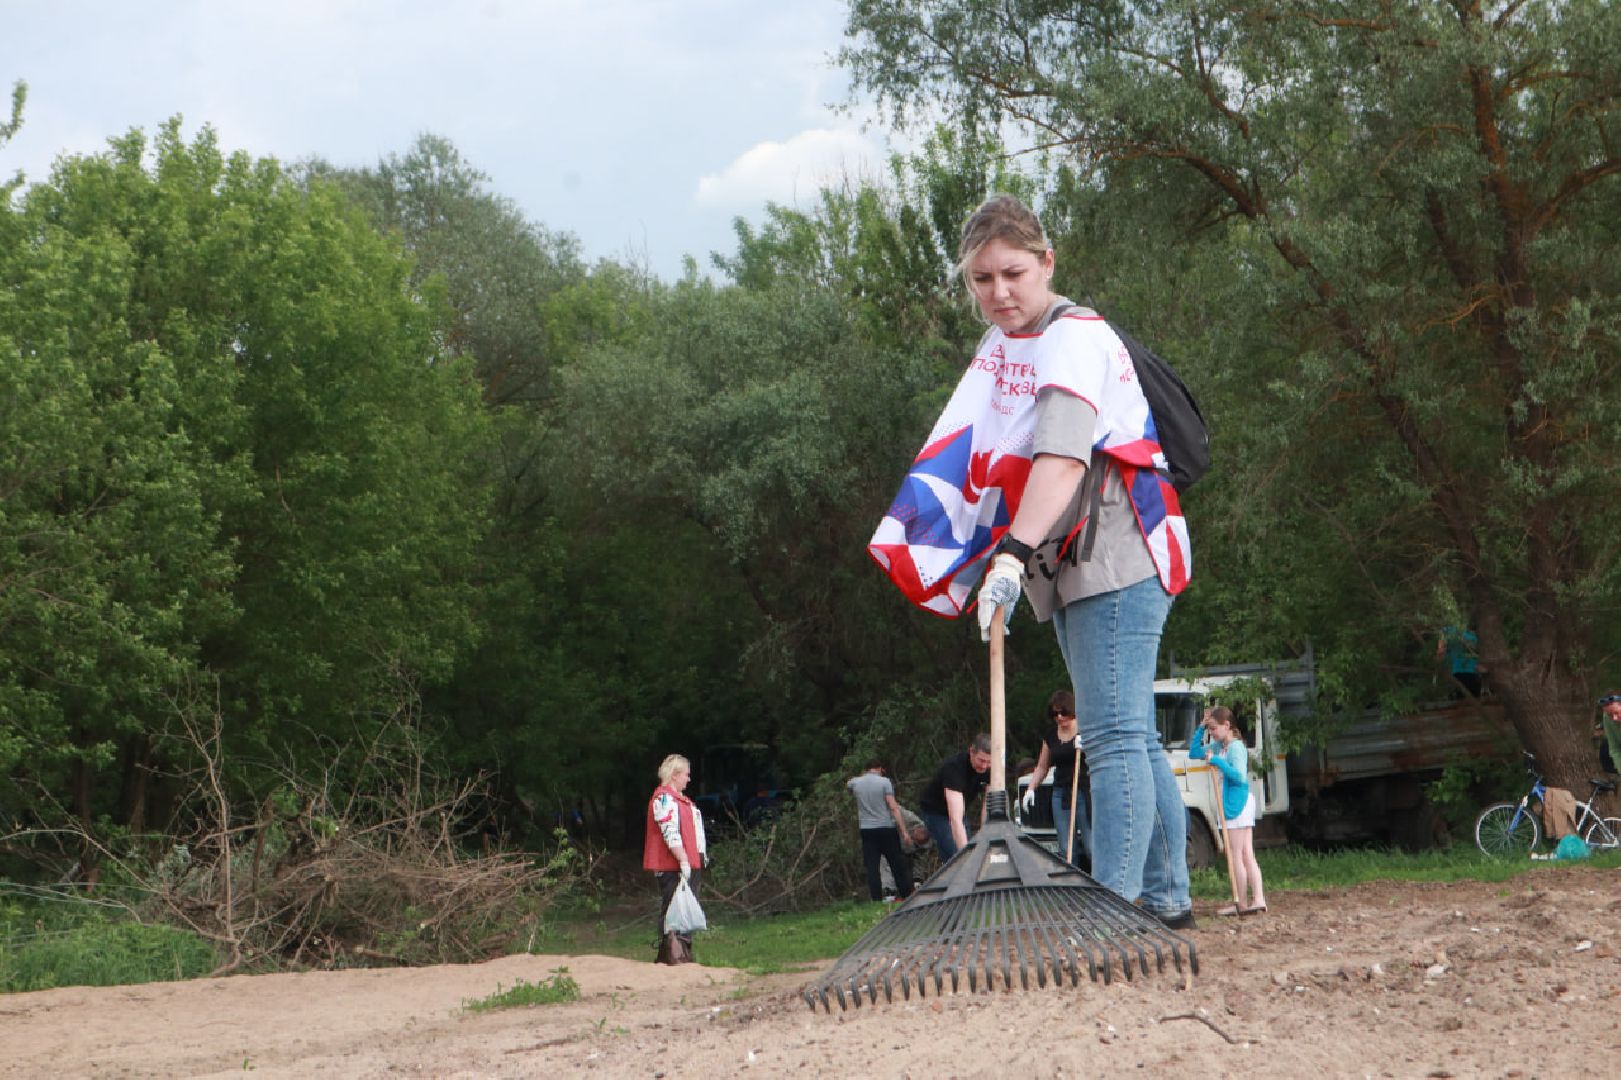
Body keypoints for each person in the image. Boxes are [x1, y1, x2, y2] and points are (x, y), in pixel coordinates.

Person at [965, 193, 1195, 930]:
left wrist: (1006, 555)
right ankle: (1166, 898)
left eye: (1013, 273)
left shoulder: (1069, 339)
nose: (998, 292)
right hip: (1071, 561)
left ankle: (1117, 906)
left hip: (1118, 550)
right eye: (981, 279)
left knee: (1114, 733)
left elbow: (1061, 462)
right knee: (1128, 731)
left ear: (1047, 263)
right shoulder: (1008, 347)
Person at [1190, 707, 1265, 916]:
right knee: (1245, 854)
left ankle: (1241, 903)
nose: (1211, 732)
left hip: (1237, 803)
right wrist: (1201, 727)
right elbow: (1194, 752)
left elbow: (1239, 776)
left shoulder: (1235, 748)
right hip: (1236, 803)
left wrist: (1217, 761)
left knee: (1236, 856)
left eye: (1214, 728)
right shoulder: (1219, 746)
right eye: (1210, 729)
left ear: (1227, 726)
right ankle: (1257, 900)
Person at [643, 754, 707, 965]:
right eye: (686, 775)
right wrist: (683, 860)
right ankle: (672, 954)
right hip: (673, 865)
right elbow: (670, 832)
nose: (689, 779)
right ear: (675, 774)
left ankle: (681, 953)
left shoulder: (680, 800)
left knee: (685, 909)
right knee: (673, 908)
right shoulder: (664, 799)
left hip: (686, 863)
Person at [1021, 690, 1091, 869]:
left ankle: (1100, 887)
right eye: (1054, 713)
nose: (1059, 717)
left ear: (1072, 710)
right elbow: (1042, 767)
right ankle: (1072, 886)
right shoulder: (1051, 736)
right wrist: (1031, 788)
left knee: (1090, 844)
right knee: (1066, 847)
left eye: (1063, 712)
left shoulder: (1086, 729)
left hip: (1084, 790)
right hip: (1060, 792)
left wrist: (1088, 747)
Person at [846, 760, 916, 902]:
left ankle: (876, 898)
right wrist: (904, 832)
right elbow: (893, 807)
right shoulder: (885, 782)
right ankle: (906, 894)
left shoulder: (855, 782)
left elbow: (849, 786)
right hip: (886, 828)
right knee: (896, 863)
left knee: (872, 866)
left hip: (867, 830)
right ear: (879, 769)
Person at [918, 734, 992, 862]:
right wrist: (966, 859)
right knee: (958, 853)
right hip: (936, 812)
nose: (984, 766)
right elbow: (955, 819)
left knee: (965, 849)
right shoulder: (954, 768)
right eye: (981, 760)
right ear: (971, 752)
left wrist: (985, 833)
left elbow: (989, 804)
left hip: (959, 811)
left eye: (988, 762)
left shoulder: (992, 769)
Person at [1435, 626, 1482, 697]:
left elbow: (1441, 653)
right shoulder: (1476, 632)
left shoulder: (1446, 631)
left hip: (1460, 673)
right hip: (1472, 673)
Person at [1598, 694, 1621, 775]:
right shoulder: (1607, 717)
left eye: (1616, 713)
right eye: (1610, 714)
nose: (1614, 718)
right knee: (1604, 748)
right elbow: (1615, 749)